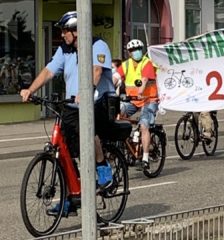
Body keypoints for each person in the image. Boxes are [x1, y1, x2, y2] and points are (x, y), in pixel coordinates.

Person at [20, 11, 115, 216]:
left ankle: (103, 168)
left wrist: (86, 90)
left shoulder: (97, 45)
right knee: (63, 151)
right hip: (73, 105)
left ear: (76, 30)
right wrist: (31, 90)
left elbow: (97, 72)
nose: (62, 35)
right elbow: (49, 71)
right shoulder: (64, 50)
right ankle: (70, 198)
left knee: (88, 131)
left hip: (99, 101)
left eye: (65, 31)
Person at [114, 39, 159, 170]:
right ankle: (126, 144)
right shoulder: (126, 64)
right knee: (118, 114)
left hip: (149, 99)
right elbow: (116, 77)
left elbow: (144, 79)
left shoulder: (147, 63)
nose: (136, 52)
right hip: (132, 101)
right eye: (133, 50)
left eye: (138, 49)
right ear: (129, 53)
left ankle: (145, 158)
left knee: (144, 125)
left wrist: (141, 90)